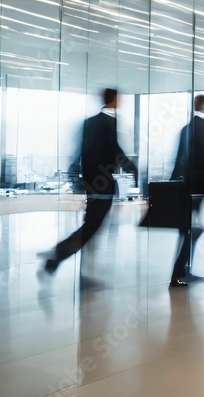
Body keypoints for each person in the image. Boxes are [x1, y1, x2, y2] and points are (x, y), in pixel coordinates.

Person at [45, 88, 137, 274]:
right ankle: (57, 255)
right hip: (102, 184)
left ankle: (63, 257)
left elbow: (82, 149)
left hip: (90, 181)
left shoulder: (91, 122)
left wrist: (79, 174)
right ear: (113, 99)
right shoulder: (109, 122)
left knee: (91, 225)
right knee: (92, 226)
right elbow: (115, 150)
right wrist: (131, 168)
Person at [169, 94, 204, 287]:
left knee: (188, 230)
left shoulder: (186, 128)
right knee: (191, 230)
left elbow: (180, 158)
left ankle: (182, 270)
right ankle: (179, 272)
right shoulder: (200, 126)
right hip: (195, 186)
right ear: (203, 105)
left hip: (184, 185)